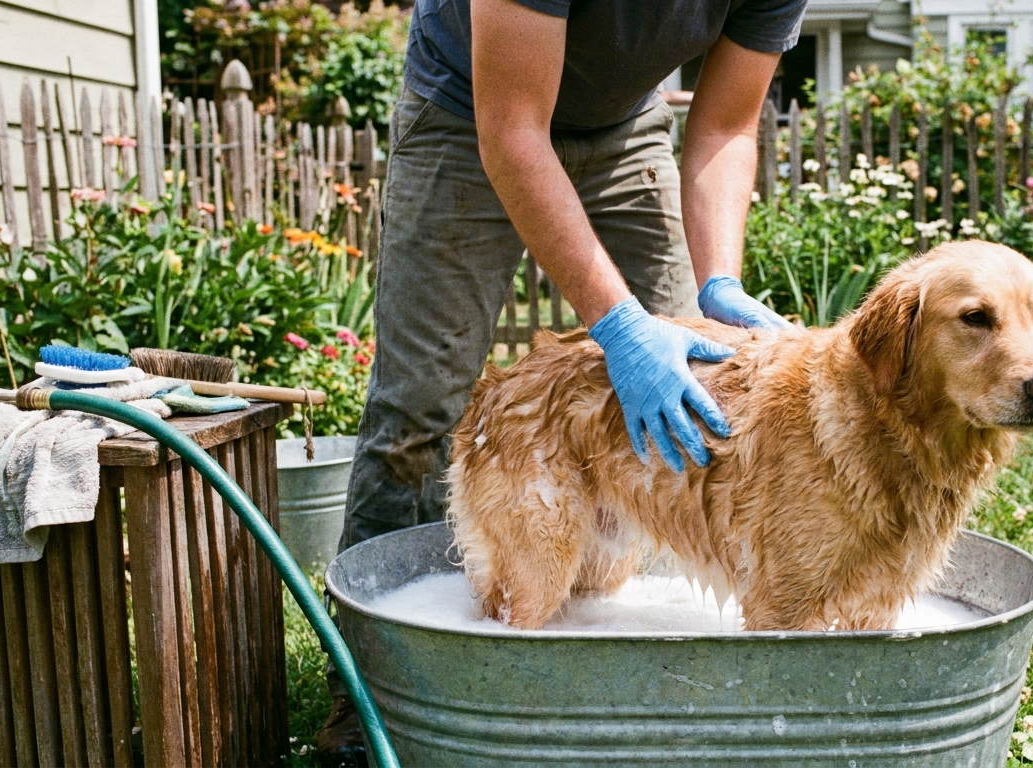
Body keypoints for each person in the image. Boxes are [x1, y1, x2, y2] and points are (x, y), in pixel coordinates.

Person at [317, 0, 806, 763]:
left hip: (624, 128)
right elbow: (514, 130)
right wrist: (617, 323)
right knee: (419, 407)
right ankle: (371, 701)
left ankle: (623, 651)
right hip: (468, 109)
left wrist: (719, 286)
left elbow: (724, 127)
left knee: (697, 409)